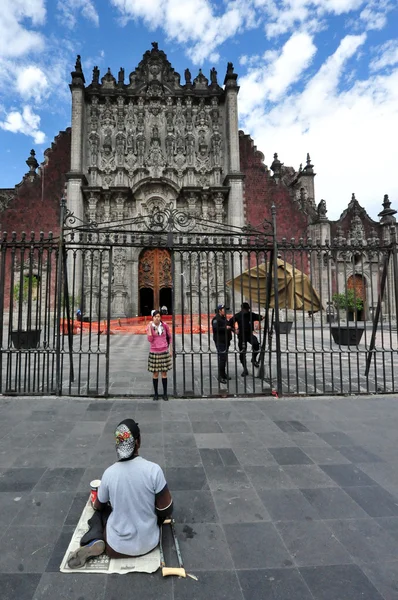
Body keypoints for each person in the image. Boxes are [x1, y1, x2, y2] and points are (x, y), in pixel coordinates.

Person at [67, 419, 173, 568]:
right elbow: (166, 509)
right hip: (149, 543)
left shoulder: (109, 474)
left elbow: (98, 506)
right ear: (138, 442)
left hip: (116, 548)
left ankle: (94, 540)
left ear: (117, 446)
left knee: (99, 513)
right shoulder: (153, 470)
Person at [229, 302, 263, 376]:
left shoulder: (251, 314)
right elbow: (229, 323)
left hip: (249, 334)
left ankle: (253, 359)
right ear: (242, 309)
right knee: (242, 352)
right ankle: (245, 369)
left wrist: (263, 317)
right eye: (245, 309)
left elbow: (260, 317)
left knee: (256, 344)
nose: (247, 311)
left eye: (247, 309)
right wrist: (234, 330)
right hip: (241, 336)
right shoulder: (238, 315)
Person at [147, 309, 172, 401]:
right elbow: (150, 339)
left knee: (164, 373)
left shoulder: (164, 325)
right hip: (154, 351)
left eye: (158, 316)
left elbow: (169, 337)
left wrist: (170, 349)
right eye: (155, 316)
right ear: (152, 317)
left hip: (164, 350)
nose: (157, 318)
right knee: (155, 373)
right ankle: (156, 394)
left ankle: (165, 393)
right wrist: (150, 328)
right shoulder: (150, 326)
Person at [212, 303, 232, 384]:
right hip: (220, 341)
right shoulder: (216, 319)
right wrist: (225, 328)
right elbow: (216, 329)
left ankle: (223, 374)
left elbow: (229, 326)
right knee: (222, 358)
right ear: (220, 310)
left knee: (224, 358)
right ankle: (220, 376)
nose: (225, 311)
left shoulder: (224, 319)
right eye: (224, 310)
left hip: (226, 341)